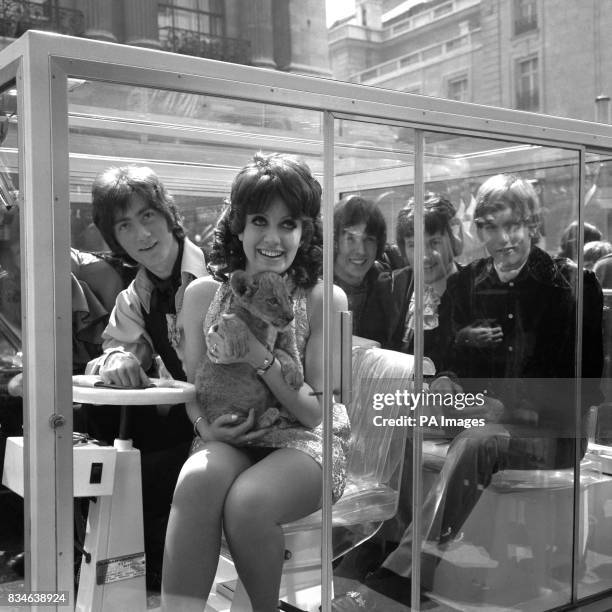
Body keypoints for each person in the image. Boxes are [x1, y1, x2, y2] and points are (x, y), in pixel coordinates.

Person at [361, 174, 603, 606]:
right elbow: (456, 359)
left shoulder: (572, 284)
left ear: (532, 224)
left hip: (553, 429)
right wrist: (448, 380)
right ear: (478, 230)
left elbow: (582, 389)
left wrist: (507, 405)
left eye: (512, 225)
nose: (502, 237)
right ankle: (382, 541)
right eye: (490, 226)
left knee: (476, 442)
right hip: (480, 413)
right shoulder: (466, 283)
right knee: (400, 417)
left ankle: (410, 569)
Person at [161, 153, 350, 611]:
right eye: (259, 220)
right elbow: (193, 387)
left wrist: (258, 356)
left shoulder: (326, 298)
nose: (272, 237)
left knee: (249, 503)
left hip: (305, 442)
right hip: (233, 435)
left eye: (288, 224)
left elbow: (314, 412)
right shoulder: (202, 294)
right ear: (238, 227)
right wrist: (205, 428)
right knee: (194, 483)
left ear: (304, 232)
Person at [84, 165, 207, 588]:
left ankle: (158, 576)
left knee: (148, 475)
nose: (141, 234)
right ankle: (132, 576)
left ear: (170, 215)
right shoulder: (136, 295)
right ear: (114, 239)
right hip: (193, 421)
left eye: (148, 215)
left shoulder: (222, 269)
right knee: (102, 458)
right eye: (125, 225)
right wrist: (114, 359)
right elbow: (115, 349)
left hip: (244, 419)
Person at [333, 196, 392, 345]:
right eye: (351, 238)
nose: (361, 250)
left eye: (369, 239)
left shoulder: (386, 284)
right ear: (334, 241)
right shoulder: (315, 287)